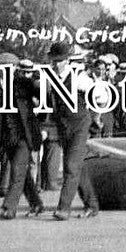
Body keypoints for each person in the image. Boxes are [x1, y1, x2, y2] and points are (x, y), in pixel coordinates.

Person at [47, 42, 99, 220]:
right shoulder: (51, 78)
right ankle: (92, 205)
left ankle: (63, 208)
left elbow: (99, 96)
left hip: (79, 125)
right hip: (64, 127)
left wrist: (94, 118)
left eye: (59, 61)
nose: (55, 64)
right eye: (53, 61)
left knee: (70, 166)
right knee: (78, 167)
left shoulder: (79, 77)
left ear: (66, 60)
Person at [0, 52, 45, 219]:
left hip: (23, 135)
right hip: (7, 136)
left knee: (17, 172)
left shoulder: (23, 84)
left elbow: (42, 94)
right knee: (21, 173)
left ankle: (9, 207)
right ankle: (36, 204)